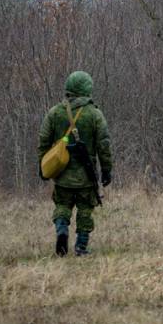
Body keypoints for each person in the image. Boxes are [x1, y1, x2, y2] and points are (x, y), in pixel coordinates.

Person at [38, 71, 112, 256]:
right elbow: (104, 145)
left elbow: (43, 141)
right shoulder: (95, 114)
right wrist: (106, 170)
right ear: (87, 89)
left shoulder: (54, 113)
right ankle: (81, 247)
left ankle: (62, 230)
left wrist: (43, 166)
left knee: (62, 205)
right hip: (86, 176)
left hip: (61, 174)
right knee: (85, 209)